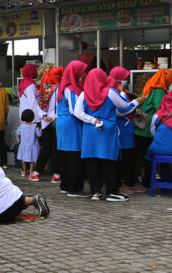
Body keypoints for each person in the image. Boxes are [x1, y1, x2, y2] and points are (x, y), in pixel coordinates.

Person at [74, 68, 143, 202]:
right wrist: (136, 101)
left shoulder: (83, 94)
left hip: (90, 131)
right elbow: (124, 107)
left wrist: (93, 120)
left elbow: (77, 112)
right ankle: (112, 192)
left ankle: (95, 192)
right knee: (109, 161)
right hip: (107, 131)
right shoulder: (110, 93)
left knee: (92, 161)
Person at [134, 68, 172, 186]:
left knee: (141, 155)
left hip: (140, 124)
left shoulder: (149, 85)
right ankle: (147, 181)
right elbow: (161, 108)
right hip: (149, 127)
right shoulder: (159, 90)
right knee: (149, 156)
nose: (170, 83)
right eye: (169, 80)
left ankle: (137, 179)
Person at [109, 67, 146, 193]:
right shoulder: (111, 92)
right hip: (120, 130)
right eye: (123, 78)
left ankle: (130, 182)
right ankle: (120, 184)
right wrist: (136, 103)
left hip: (127, 129)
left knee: (130, 157)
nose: (124, 81)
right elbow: (120, 111)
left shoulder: (122, 92)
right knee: (121, 158)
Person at [55, 60, 89, 196]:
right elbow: (75, 110)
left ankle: (65, 185)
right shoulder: (72, 88)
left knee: (64, 155)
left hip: (62, 123)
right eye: (82, 71)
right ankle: (75, 188)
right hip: (71, 124)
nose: (84, 74)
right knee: (75, 155)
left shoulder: (63, 86)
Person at [31, 66, 63, 183]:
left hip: (45, 122)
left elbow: (38, 105)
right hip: (56, 121)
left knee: (45, 148)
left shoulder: (44, 89)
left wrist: (44, 116)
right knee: (56, 149)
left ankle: (36, 172)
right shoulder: (60, 89)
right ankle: (56, 175)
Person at [17, 109, 41, 178]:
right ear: (33, 117)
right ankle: (31, 172)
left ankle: (24, 172)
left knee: (23, 160)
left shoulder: (22, 125)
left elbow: (18, 134)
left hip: (24, 145)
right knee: (32, 160)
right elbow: (39, 135)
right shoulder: (35, 126)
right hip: (33, 145)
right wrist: (39, 128)